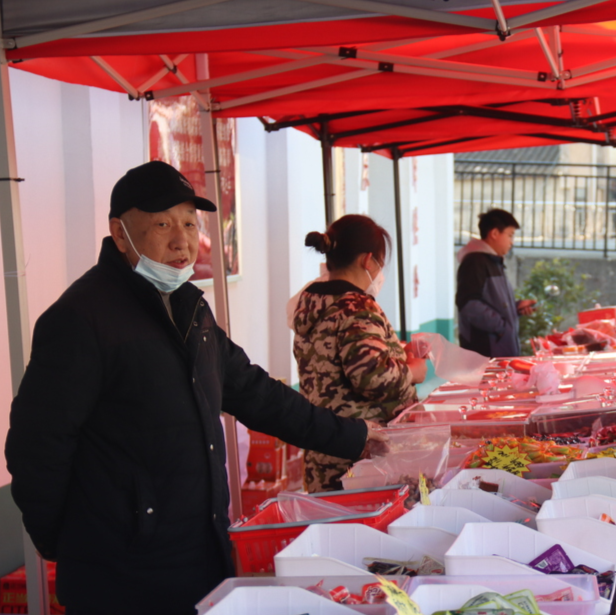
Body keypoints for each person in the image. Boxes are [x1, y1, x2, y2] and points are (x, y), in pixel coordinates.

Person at [4, 161, 384, 615]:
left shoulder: (191, 310)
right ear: (120, 233)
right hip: (122, 576)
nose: (181, 239)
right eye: (162, 223)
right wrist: (64, 540)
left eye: (189, 222)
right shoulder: (81, 319)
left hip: (199, 556)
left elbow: (258, 394)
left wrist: (356, 437)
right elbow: (37, 444)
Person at [291, 214, 426, 492]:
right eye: (379, 262)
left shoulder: (310, 302)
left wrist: (392, 351)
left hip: (325, 449)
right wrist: (412, 370)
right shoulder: (356, 307)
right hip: (363, 457)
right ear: (368, 260)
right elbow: (373, 378)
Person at [456, 209, 536, 357]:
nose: (512, 242)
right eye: (510, 235)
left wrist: (516, 308)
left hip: (500, 348)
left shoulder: (493, 261)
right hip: (485, 351)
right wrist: (502, 327)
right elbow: (469, 304)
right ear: (494, 234)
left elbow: (492, 302)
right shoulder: (475, 262)